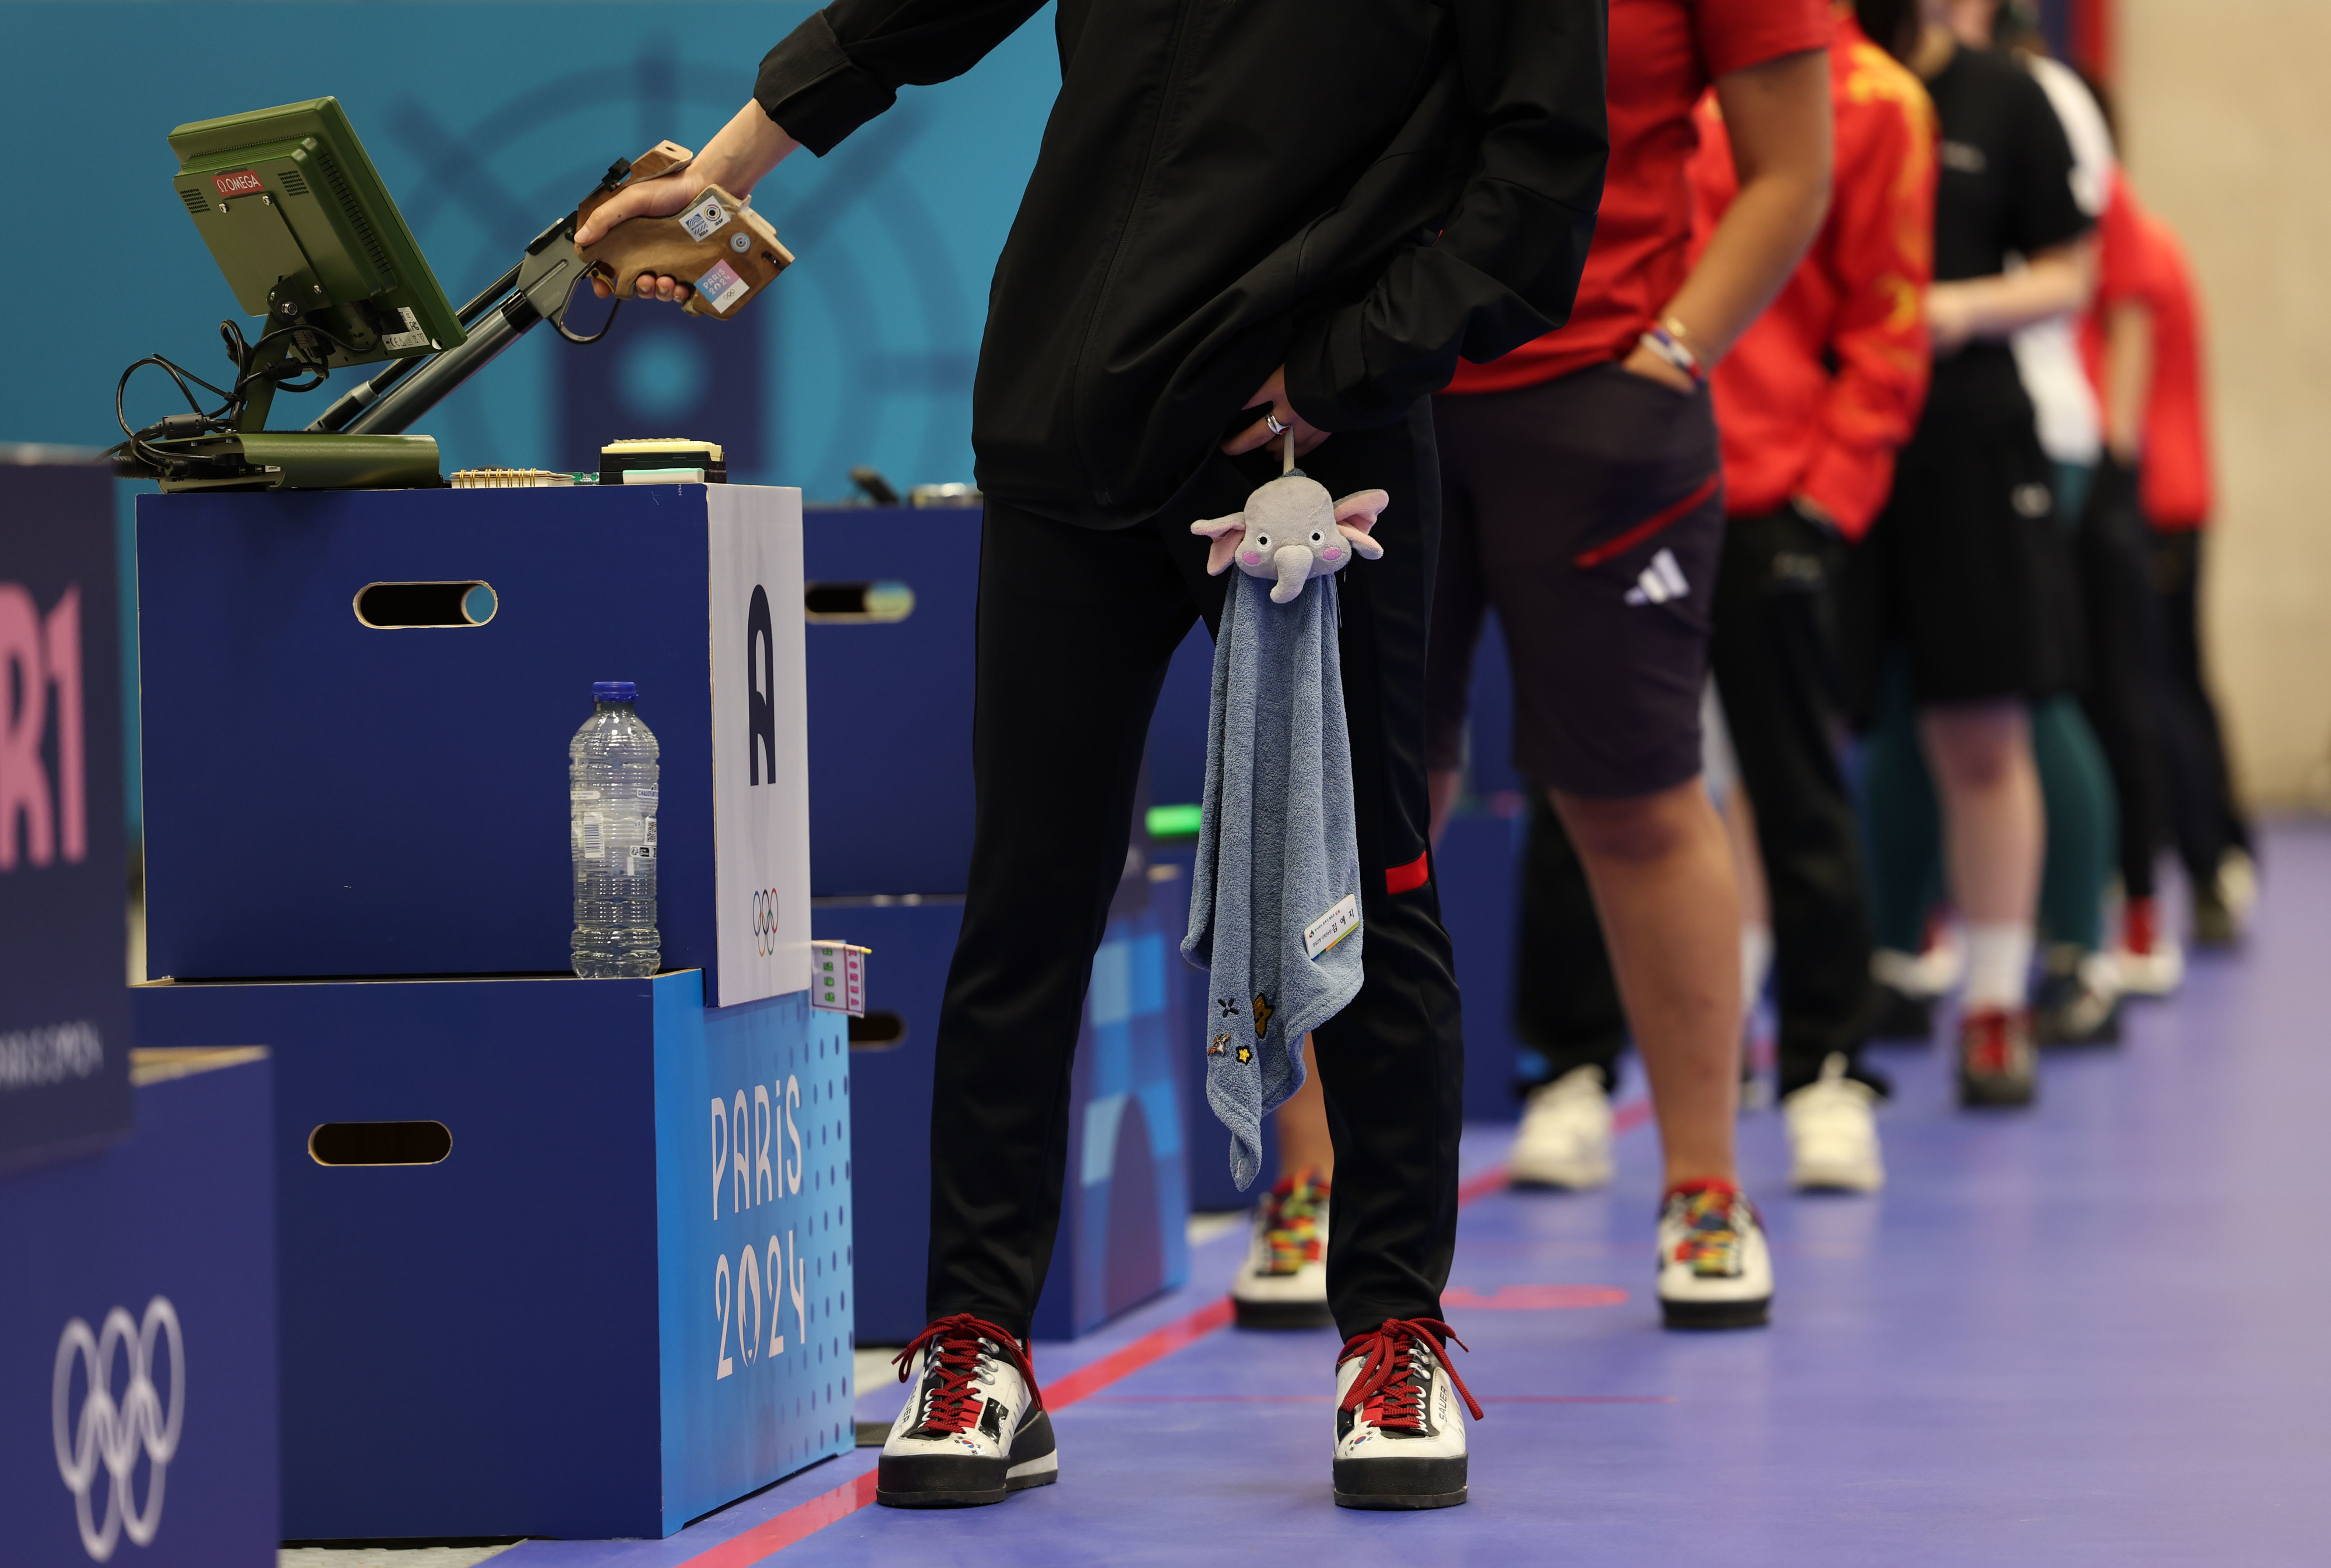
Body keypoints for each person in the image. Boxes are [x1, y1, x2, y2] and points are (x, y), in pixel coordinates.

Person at [578, 0, 1609, 1513]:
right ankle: (978, 1336)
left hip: (1319, 449)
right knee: (1030, 892)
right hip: (1074, 422)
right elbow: (911, 15)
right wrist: (728, 169)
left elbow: (1537, 188)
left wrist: (1342, 374)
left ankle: (1392, 1330)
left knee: (1373, 881)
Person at [1425, 0, 1836, 1329]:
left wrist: (1669, 353)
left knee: (1636, 796)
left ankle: (1704, 1186)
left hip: (1604, 405)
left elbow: (1789, 170)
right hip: (1375, 398)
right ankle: (1311, 1191)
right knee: (1359, 805)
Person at [1839, 0, 2096, 1106]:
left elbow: (2069, 272)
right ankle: (1776, 1019)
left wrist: (1946, 309)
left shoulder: (2010, 96)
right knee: (1781, 743)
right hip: (1826, 441)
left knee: (1984, 731)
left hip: (1971, 444)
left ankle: (1995, 1004)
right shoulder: (1804, 87)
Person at [2082, 158, 2255, 963]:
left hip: (2153, 498)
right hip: (2164, 493)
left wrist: (2114, 478)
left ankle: (2211, 864)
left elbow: (2128, 361)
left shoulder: (2126, 242)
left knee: (2156, 693)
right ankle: (2216, 860)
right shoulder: (2141, 237)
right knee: (2174, 685)